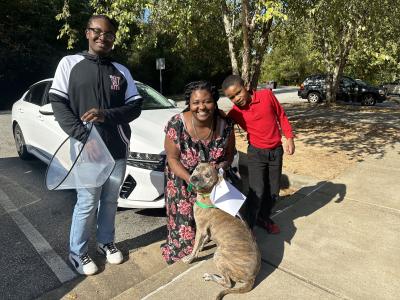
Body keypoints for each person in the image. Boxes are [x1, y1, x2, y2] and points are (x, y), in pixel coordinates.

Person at [49, 15, 143, 275]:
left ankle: (105, 242)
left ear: (114, 37)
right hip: (86, 149)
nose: (103, 37)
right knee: (87, 202)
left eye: (109, 33)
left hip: (117, 148)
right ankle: (77, 252)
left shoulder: (121, 71)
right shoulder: (70, 63)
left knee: (111, 199)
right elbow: (58, 104)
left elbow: (135, 105)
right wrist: (82, 136)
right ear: (87, 33)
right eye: (97, 32)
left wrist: (107, 114)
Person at [161, 80, 235, 264]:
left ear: (215, 101)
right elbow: (172, 159)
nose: (201, 107)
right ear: (189, 103)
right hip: (183, 182)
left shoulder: (225, 124)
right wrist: (190, 180)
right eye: (196, 102)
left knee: (220, 231)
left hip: (213, 186)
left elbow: (229, 154)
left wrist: (222, 167)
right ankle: (188, 247)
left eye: (207, 101)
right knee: (184, 239)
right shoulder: (177, 124)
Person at [222, 75, 295, 234]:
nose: (236, 99)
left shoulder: (266, 95)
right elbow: (221, 123)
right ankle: (248, 224)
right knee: (257, 191)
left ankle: (264, 217)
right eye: (231, 97)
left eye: (238, 92)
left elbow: (281, 115)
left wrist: (289, 138)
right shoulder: (235, 113)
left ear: (246, 86)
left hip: (276, 151)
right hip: (256, 154)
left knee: (273, 192)